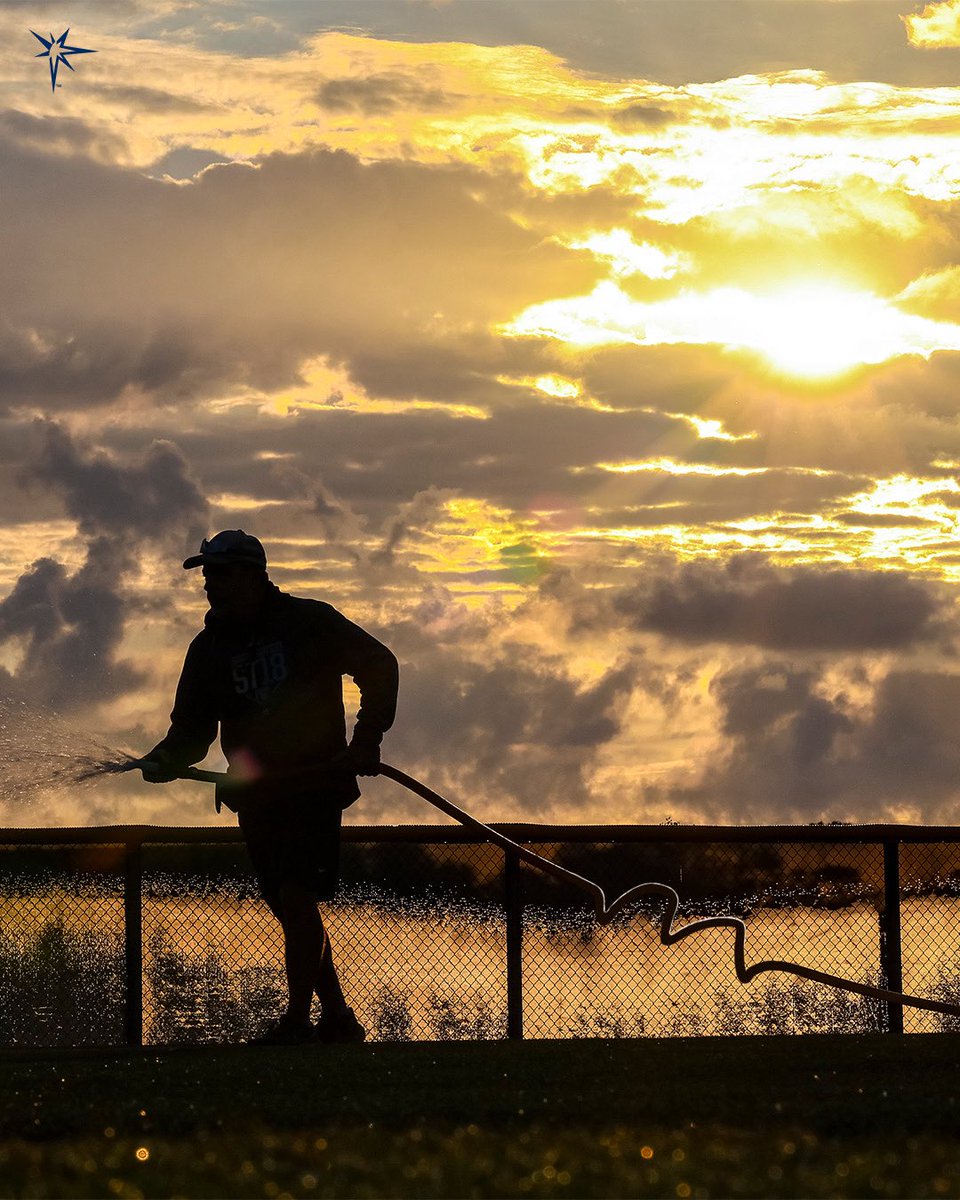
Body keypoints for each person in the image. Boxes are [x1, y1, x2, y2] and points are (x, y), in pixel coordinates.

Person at [141, 529, 399, 1046]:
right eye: (207, 576)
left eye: (222, 573)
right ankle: (339, 1020)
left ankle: (298, 1023)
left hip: (314, 786)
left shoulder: (309, 622)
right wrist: (167, 757)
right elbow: (192, 730)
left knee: (297, 897)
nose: (211, 585)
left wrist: (366, 739)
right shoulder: (208, 648)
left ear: (255, 575)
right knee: (289, 905)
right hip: (256, 794)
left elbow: (380, 665)